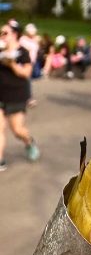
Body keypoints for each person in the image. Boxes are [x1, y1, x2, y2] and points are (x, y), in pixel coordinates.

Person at [0, 21, 40, 170]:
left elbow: (26, 73)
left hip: (16, 94)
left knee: (17, 129)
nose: (2, 36)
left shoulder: (22, 52)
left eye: (5, 33)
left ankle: (29, 142)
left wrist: (12, 64)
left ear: (14, 35)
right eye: (1, 33)